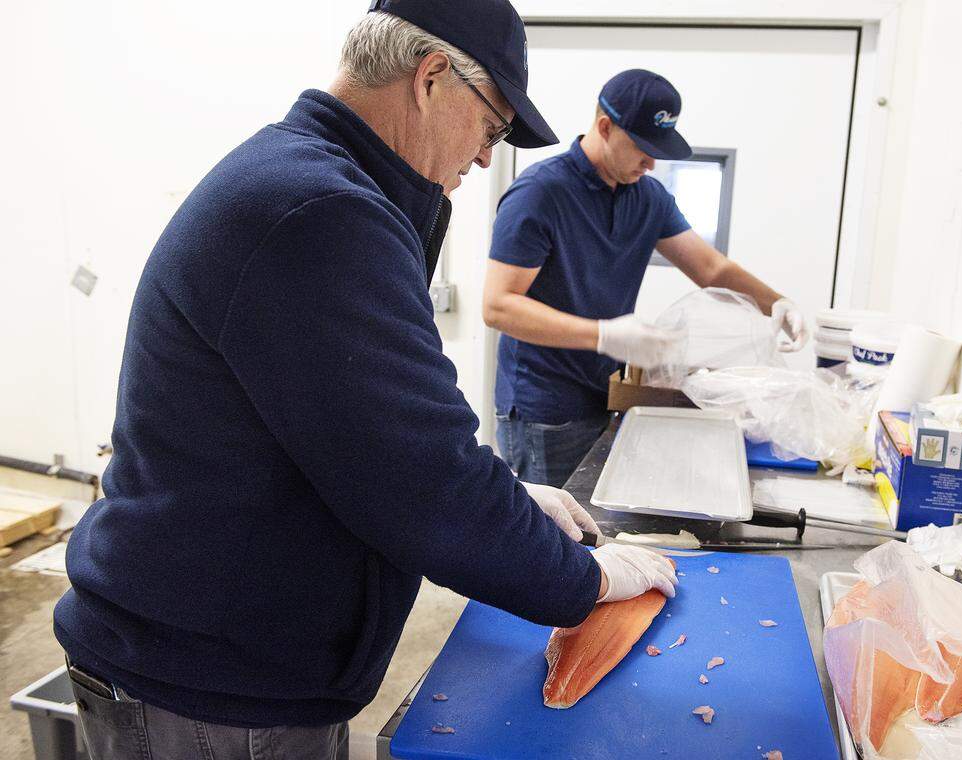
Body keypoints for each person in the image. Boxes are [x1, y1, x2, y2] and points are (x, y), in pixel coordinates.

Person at [53, 3, 676, 758]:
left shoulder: (318, 186)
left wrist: (508, 500)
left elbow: (371, 433)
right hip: (208, 684)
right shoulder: (318, 213)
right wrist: (587, 580)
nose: (486, 158)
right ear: (432, 78)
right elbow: (423, 481)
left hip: (229, 659)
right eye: (491, 128)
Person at [484, 69, 808, 487]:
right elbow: (498, 305)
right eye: (642, 147)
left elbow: (711, 269)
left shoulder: (648, 197)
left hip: (607, 397)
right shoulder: (541, 194)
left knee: (593, 529)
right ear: (605, 127)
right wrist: (603, 335)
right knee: (554, 535)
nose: (652, 163)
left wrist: (777, 303)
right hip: (545, 409)